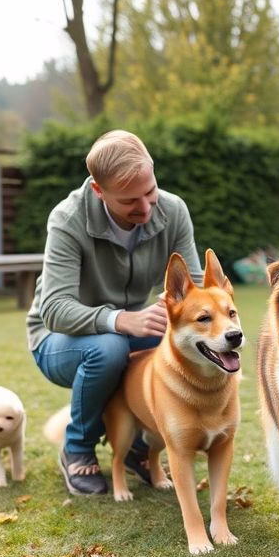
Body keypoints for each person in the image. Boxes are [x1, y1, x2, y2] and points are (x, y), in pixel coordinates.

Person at [26, 130, 204, 495]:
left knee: (187, 335)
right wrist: (121, 319)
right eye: (129, 201)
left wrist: (173, 307)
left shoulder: (173, 210)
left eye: (150, 191)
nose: (145, 208)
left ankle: (142, 446)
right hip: (57, 340)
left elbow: (196, 289)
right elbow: (54, 309)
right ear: (98, 190)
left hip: (127, 328)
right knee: (108, 348)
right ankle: (77, 448)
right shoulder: (67, 219)